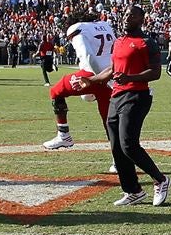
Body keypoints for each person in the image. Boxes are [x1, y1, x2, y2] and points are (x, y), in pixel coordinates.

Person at [82, 4, 170, 206]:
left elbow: (155, 73)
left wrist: (130, 77)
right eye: (124, 15)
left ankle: (161, 179)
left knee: (128, 144)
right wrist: (93, 80)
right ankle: (133, 191)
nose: (125, 18)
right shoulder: (119, 41)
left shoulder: (147, 42)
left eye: (131, 15)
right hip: (117, 96)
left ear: (141, 19)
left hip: (137, 96)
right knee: (116, 147)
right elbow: (113, 69)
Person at [42, 12, 116, 150]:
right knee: (108, 121)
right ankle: (118, 161)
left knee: (55, 91)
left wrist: (99, 78)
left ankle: (64, 135)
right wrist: (110, 77)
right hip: (111, 73)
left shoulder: (77, 28)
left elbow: (87, 55)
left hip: (92, 75)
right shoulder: (105, 25)